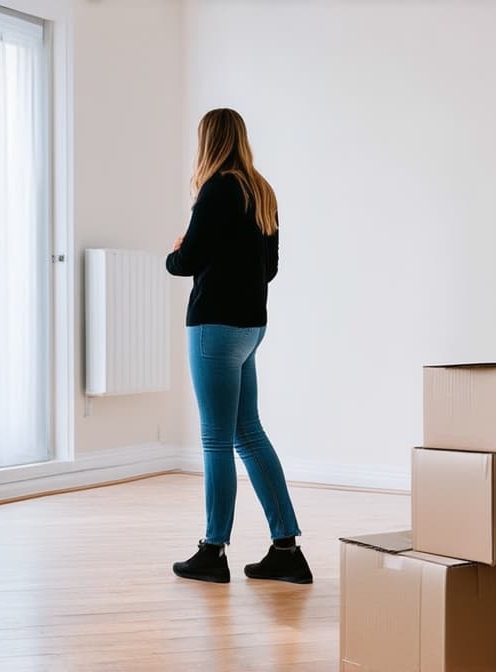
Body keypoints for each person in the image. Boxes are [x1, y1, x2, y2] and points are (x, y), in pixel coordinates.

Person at [166, 108, 312, 585]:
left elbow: (185, 262)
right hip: (251, 328)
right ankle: (286, 549)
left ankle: (213, 550)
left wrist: (177, 249)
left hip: (213, 328)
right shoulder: (261, 190)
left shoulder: (216, 189)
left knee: (216, 440)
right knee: (247, 434)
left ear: (207, 141)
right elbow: (268, 269)